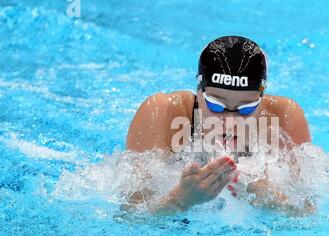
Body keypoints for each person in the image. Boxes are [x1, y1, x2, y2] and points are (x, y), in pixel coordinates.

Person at [126, 36, 313, 216]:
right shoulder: (163, 112)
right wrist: (180, 199)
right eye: (216, 106)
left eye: (246, 109)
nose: (230, 122)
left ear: (261, 99)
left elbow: (308, 213)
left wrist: (272, 201)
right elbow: (129, 214)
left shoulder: (284, 117)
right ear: (199, 92)